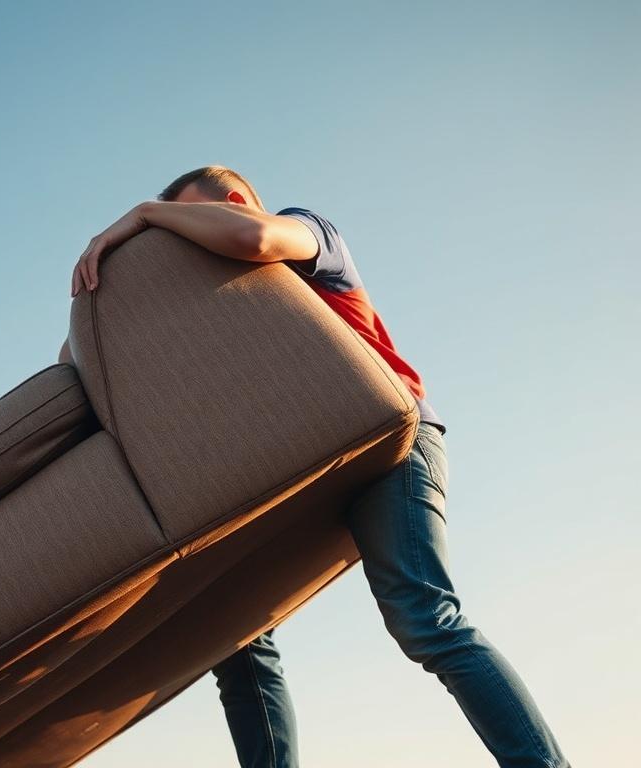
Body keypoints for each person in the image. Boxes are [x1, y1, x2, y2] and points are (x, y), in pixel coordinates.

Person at [67, 166, 571, 768]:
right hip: (308, 473)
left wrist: (147, 212)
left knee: (424, 617)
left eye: (207, 213)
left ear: (240, 201)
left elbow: (253, 240)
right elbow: (86, 365)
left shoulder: (310, 236)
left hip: (392, 443)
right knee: (233, 638)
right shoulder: (209, 317)